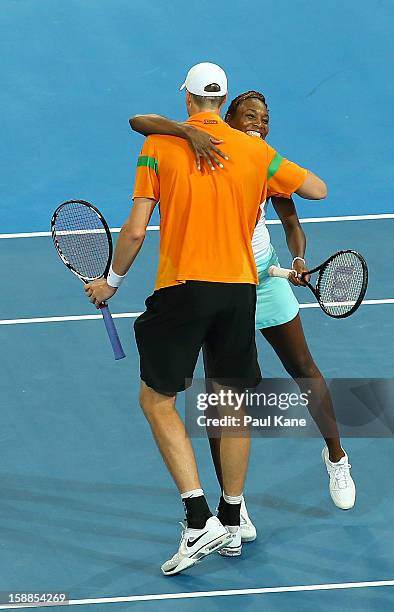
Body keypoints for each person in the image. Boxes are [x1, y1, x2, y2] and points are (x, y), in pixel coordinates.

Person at [85, 63, 323, 573]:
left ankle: (198, 520)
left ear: (187, 97)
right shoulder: (256, 151)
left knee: (157, 401)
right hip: (240, 291)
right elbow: (316, 190)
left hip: (184, 287)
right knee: (232, 402)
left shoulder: (159, 146)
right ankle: (233, 517)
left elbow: (134, 229)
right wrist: (266, 167)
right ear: (226, 99)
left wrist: (111, 281)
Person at [129, 90, 356, 541]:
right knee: (222, 401)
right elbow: (141, 120)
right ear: (227, 115)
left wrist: (296, 260)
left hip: (263, 284)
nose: (259, 122)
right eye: (249, 115)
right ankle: (234, 509)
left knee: (303, 369)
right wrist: (186, 130)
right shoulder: (207, 147)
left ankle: (336, 457)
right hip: (228, 287)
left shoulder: (259, 157)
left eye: (265, 117)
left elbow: (292, 222)